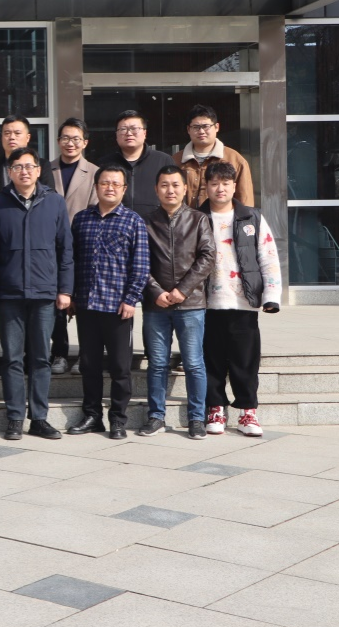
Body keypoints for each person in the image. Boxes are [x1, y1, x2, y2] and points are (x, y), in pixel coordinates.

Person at [0, 147, 73, 441]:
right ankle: (14, 418)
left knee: (40, 358)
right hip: (10, 294)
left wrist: (65, 289)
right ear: (9, 172)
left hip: (44, 293)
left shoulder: (54, 202)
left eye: (29, 166)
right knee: (12, 358)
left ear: (38, 170)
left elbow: (65, 249)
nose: (24, 171)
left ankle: (39, 418)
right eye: (17, 167)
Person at [65, 165, 150, 440]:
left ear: (124, 189)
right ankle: (92, 416)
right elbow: (73, 260)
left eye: (116, 184)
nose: (110, 188)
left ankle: (118, 419)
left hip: (118, 308)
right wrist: (72, 294)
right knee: (89, 365)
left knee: (120, 367)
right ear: (96, 186)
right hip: (87, 306)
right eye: (105, 183)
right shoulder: (81, 219)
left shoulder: (133, 221)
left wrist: (131, 299)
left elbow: (141, 265)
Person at [201, 161, 281, 437]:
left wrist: (271, 296)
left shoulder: (251, 217)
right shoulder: (196, 217)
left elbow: (268, 257)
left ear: (234, 186)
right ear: (206, 186)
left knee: (245, 361)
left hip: (243, 302)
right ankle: (215, 408)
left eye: (225, 183)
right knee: (211, 360)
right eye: (214, 183)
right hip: (207, 303)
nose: (220, 189)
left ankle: (248, 412)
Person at [141, 165, 216, 439]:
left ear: (185, 188)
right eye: (164, 185)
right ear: (156, 189)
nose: (170, 190)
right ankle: (156, 416)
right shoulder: (146, 221)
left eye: (175, 185)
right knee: (157, 363)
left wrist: (183, 290)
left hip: (191, 303)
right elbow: (139, 261)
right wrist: (155, 291)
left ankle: (196, 418)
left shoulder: (198, 219)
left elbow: (208, 256)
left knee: (194, 363)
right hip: (156, 305)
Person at [48, 117, 99, 375]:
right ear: (58, 141)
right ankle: (59, 353)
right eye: (66, 138)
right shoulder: (46, 170)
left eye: (76, 139)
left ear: (85, 142)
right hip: (52, 248)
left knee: (84, 302)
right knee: (57, 301)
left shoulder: (95, 172)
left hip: (83, 246)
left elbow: (96, 210)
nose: (71, 143)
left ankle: (84, 355)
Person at [97, 110, 175, 220]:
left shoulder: (163, 160)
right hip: (116, 225)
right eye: (123, 129)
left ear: (144, 133)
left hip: (155, 226)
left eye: (134, 129)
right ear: (116, 135)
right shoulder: (105, 163)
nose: (129, 133)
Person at [175, 104, 254, 209]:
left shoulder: (235, 160)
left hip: (222, 218)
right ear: (188, 129)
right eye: (196, 127)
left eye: (206, 126)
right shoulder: (176, 160)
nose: (201, 131)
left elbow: (245, 200)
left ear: (217, 127)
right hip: (184, 219)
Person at [0, 115, 33, 191]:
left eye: (17, 133)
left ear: (28, 138)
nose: (12, 137)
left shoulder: (42, 165)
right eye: (7, 133)